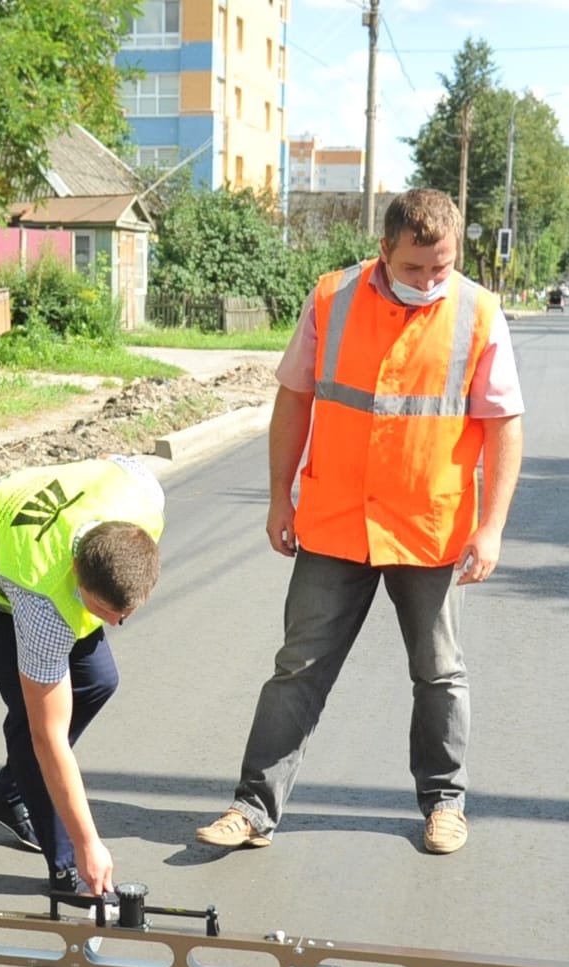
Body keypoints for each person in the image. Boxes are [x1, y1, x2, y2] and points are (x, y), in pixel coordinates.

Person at [194, 188, 524, 856]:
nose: (431, 282)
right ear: (384, 250)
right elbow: (295, 398)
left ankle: (445, 804)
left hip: (427, 527)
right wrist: (278, 496)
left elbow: (503, 426)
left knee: (439, 671)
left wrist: (491, 527)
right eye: (415, 268)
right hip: (336, 521)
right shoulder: (332, 297)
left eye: (443, 266)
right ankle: (253, 808)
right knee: (298, 667)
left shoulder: (479, 312)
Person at [0, 454, 163, 895]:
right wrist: (88, 843)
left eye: (126, 613)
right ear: (76, 575)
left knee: (97, 681)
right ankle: (66, 867)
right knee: (33, 723)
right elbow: (48, 737)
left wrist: (106, 607)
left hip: (26, 543)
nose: (116, 624)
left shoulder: (143, 494)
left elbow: (111, 464)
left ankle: (8, 790)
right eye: (106, 611)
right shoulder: (44, 607)